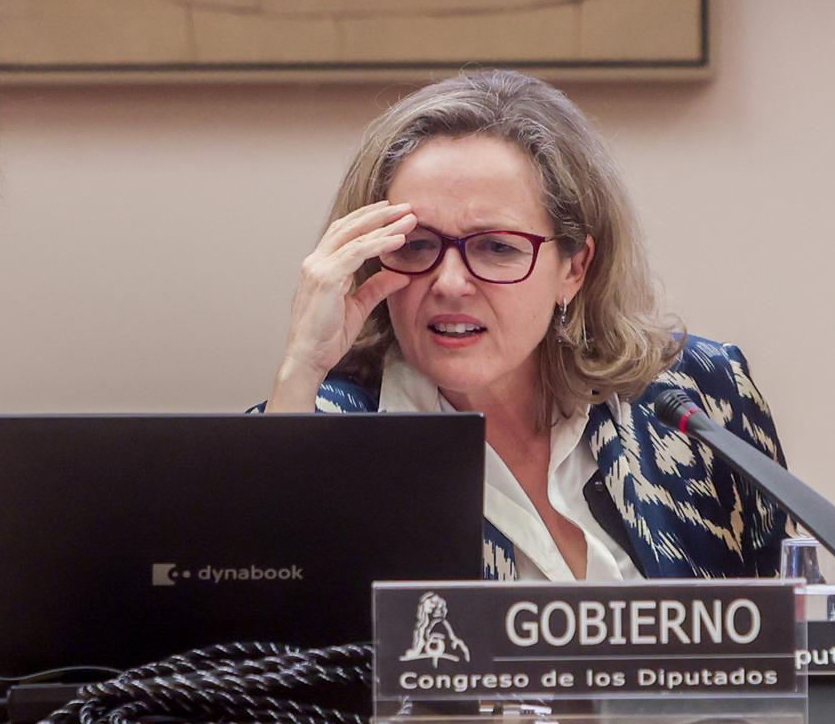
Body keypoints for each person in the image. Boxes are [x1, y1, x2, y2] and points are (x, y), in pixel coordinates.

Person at [260, 69, 792, 581]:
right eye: (417, 245)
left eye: (496, 248)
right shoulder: (325, 429)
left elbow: (798, 644)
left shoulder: (697, 396)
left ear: (574, 267)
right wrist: (300, 369)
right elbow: (248, 652)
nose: (449, 283)